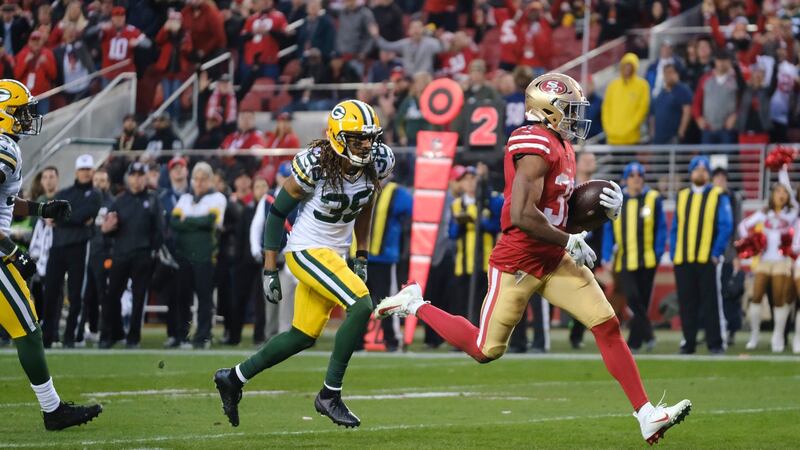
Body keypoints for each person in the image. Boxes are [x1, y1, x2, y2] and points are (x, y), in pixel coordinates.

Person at [376, 73, 691, 444]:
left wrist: (599, 211)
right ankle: (415, 304)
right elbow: (523, 215)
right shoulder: (534, 142)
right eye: (569, 110)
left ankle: (646, 413)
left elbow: (557, 211)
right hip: (518, 262)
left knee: (606, 324)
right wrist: (569, 239)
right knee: (485, 349)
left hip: (553, 257)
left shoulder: (562, 145)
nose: (576, 118)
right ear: (548, 110)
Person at [214, 100, 395, 429]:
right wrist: (270, 269)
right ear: (338, 138)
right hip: (306, 250)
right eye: (357, 138)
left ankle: (234, 378)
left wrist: (363, 254)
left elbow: (367, 203)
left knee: (302, 335)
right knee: (361, 304)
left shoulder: (379, 162)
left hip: (335, 254)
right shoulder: (315, 165)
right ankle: (330, 394)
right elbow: (276, 212)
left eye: (370, 137)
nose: (366, 145)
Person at [0, 78, 101, 429]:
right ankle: (52, 410)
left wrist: (41, 210)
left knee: (28, 327)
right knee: (27, 328)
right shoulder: (4, 148)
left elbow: (6, 203)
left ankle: (53, 408)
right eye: (21, 113)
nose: (28, 119)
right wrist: (12, 251)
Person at [670, 156, 733, 354]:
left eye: (704, 170)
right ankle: (688, 342)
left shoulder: (718, 194)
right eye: (697, 169)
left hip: (707, 259)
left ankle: (715, 343)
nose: (700, 172)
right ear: (691, 173)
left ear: (708, 174)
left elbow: (726, 226)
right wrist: (673, 252)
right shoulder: (682, 196)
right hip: (683, 258)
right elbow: (675, 227)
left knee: (710, 303)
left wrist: (716, 252)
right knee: (687, 303)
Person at [602, 162, 666, 352]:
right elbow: (608, 229)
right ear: (626, 179)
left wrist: (658, 252)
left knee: (642, 302)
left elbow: (660, 228)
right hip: (624, 259)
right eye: (632, 175)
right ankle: (649, 334)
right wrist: (606, 255)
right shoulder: (617, 199)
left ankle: (635, 342)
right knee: (632, 297)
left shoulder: (653, 198)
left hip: (647, 259)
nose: (636, 178)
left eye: (640, 175)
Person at [99, 162, 165, 349]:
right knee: (112, 296)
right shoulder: (119, 201)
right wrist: (106, 229)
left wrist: (152, 252)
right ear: (128, 178)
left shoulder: (153, 200)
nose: (137, 179)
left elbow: (160, 230)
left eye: (140, 175)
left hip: (142, 256)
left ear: (146, 177)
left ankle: (133, 338)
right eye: (134, 175)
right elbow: (109, 228)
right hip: (120, 254)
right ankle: (108, 335)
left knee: (138, 298)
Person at [42, 154, 101, 348]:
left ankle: (70, 337)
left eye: (88, 169)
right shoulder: (65, 192)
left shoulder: (95, 194)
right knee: (50, 293)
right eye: (82, 170)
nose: (85, 173)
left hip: (79, 247)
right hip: (58, 247)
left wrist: (61, 218)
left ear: (92, 171)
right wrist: (72, 218)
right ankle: (47, 337)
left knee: (76, 295)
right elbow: (73, 216)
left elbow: (85, 214)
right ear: (77, 171)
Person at [738, 166, 796, 352]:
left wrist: (783, 170)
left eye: (784, 192)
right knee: (756, 295)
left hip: (782, 261)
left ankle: (777, 336)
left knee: (779, 298)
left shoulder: (792, 213)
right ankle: (754, 335)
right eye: (778, 191)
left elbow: (792, 195)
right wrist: (754, 242)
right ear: (772, 195)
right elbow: (743, 226)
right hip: (764, 260)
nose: (781, 195)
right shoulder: (764, 213)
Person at [171, 162, 227, 348]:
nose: (199, 182)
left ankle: (203, 336)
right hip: (184, 255)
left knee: (204, 299)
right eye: (196, 178)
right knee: (182, 298)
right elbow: (174, 222)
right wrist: (197, 223)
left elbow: (211, 222)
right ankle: (182, 336)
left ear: (210, 180)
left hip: (205, 256)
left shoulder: (218, 198)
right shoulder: (185, 198)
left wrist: (188, 222)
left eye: (203, 179)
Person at [249, 163, 297, 343]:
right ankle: (269, 336)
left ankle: (284, 336)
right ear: (277, 177)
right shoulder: (268, 198)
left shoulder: (300, 197)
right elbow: (257, 225)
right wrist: (255, 248)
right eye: (284, 176)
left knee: (287, 297)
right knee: (270, 298)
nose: (286, 180)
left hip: (289, 254)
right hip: (270, 254)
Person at [366, 174, 412, 351]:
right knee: (357, 303)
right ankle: (356, 341)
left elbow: (411, 211)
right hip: (359, 256)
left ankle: (392, 340)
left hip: (383, 257)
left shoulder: (397, 192)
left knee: (388, 300)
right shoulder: (360, 187)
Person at [79, 168, 113, 346]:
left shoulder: (112, 203)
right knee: (86, 295)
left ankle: (104, 332)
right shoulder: (87, 201)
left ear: (108, 183)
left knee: (103, 296)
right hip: (87, 253)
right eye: (96, 180)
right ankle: (87, 331)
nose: (99, 184)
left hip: (103, 254)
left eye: (102, 180)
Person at [692, 50, 742, 144]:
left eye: (725, 60)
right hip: (708, 127)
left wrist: (735, 116)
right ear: (715, 61)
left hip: (727, 128)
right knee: (706, 157)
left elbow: (743, 101)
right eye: (719, 60)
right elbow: (697, 101)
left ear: (729, 62)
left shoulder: (736, 79)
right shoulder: (705, 78)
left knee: (726, 157)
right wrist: (698, 118)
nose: (722, 63)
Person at [602, 52, 650, 145]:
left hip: (632, 138)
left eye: (630, 66)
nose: (627, 69)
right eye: (625, 65)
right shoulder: (613, 85)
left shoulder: (642, 86)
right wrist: (608, 129)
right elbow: (606, 108)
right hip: (613, 138)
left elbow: (642, 109)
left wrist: (630, 128)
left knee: (631, 160)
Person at [370, 18, 443, 75]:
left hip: (425, 78)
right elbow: (386, 46)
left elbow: (443, 48)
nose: (416, 30)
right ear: (409, 31)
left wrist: (440, 39)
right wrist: (376, 36)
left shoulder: (431, 42)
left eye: (418, 27)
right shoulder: (404, 44)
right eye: (413, 28)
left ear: (423, 30)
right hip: (409, 79)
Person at [14, 31, 57, 114]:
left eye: (38, 40)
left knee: (43, 120)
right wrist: (25, 62)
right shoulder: (23, 54)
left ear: (42, 41)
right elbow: (16, 75)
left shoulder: (47, 53)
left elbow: (54, 75)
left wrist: (46, 63)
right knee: (27, 122)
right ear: (29, 42)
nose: (36, 43)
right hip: (27, 97)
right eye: (33, 40)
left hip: (43, 95)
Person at [650, 63, 692, 144]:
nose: (667, 75)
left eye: (670, 72)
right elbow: (653, 114)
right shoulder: (660, 93)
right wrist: (653, 132)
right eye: (665, 73)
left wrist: (681, 132)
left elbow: (687, 112)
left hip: (673, 137)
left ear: (677, 74)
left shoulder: (683, 90)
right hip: (658, 138)